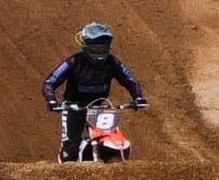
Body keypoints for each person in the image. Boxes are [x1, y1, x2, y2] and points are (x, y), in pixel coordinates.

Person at [42, 22, 147, 163]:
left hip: (99, 108)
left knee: (112, 136)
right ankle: (65, 170)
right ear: (86, 47)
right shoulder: (74, 62)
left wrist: (138, 97)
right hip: (74, 107)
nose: (100, 51)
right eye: (96, 47)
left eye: (103, 47)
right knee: (70, 150)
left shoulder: (112, 62)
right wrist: (51, 100)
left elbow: (130, 80)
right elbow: (50, 82)